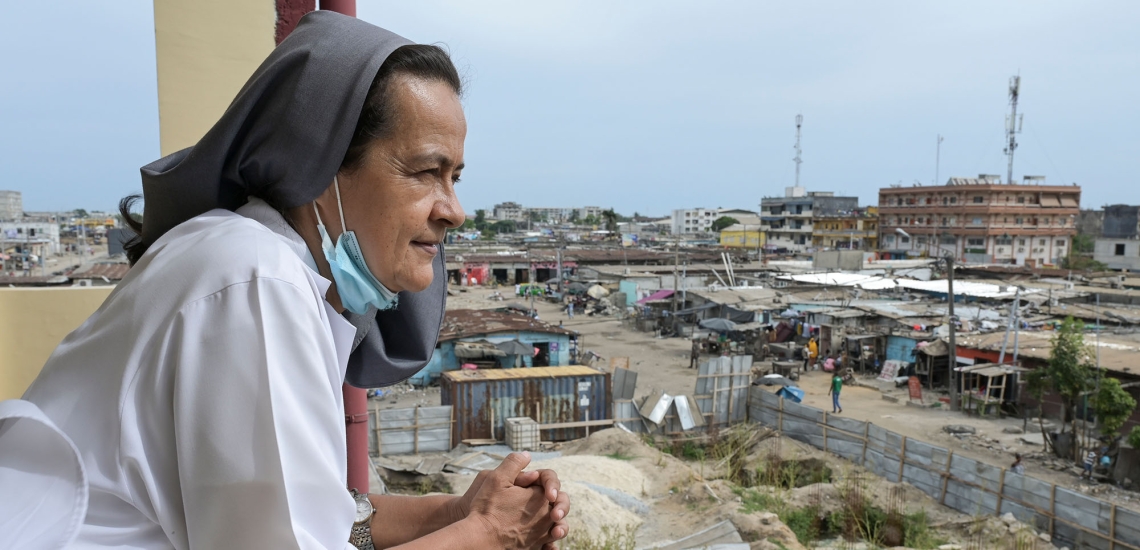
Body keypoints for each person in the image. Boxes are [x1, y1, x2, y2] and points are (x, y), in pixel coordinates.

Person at [0, 12, 568, 550]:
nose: (454, 209)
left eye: (455, 177)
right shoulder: (257, 280)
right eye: (425, 172)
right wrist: (490, 535)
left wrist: (454, 514)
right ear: (319, 165)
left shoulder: (255, 262)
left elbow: (313, 511)